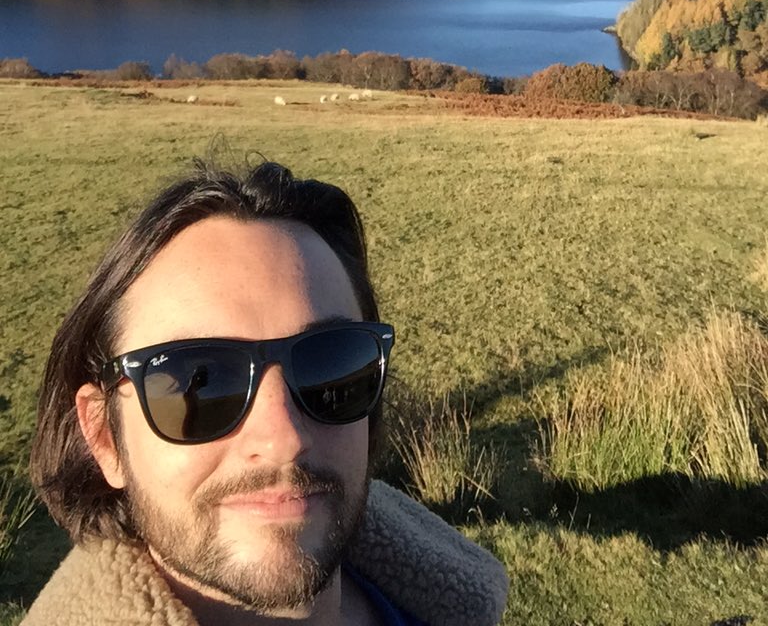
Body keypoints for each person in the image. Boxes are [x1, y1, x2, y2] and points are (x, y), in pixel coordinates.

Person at [24, 160, 508, 625]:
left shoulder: (438, 608)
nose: (284, 439)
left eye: (330, 366)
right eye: (203, 380)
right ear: (104, 437)